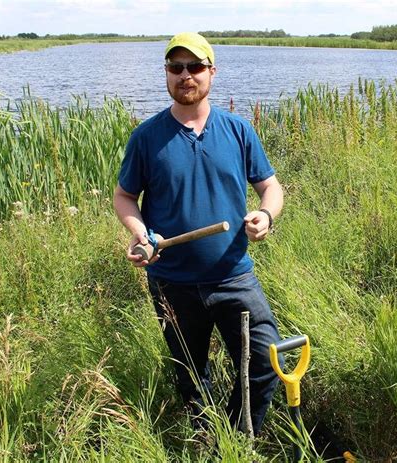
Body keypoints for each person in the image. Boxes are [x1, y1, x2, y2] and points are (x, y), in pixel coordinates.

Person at [113, 32, 284, 437]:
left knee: (265, 360)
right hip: (173, 282)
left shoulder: (238, 130)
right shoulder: (147, 137)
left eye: (195, 67)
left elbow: (271, 187)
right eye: (176, 67)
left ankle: (238, 437)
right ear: (167, 74)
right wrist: (141, 234)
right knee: (191, 375)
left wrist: (266, 214)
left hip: (233, 276)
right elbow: (124, 196)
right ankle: (207, 440)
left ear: (211, 72)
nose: (185, 75)